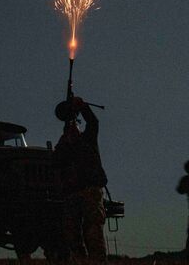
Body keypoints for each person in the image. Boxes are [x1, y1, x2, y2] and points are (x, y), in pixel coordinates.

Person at [54, 96, 108, 264]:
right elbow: (56, 163)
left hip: (90, 190)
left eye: (75, 127)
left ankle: (97, 262)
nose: (73, 130)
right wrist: (63, 145)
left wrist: (83, 107)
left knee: (93, 231)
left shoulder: (88, 139)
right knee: (71, 233)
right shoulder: (64, 148)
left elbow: (93, 122)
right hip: (72, 193)